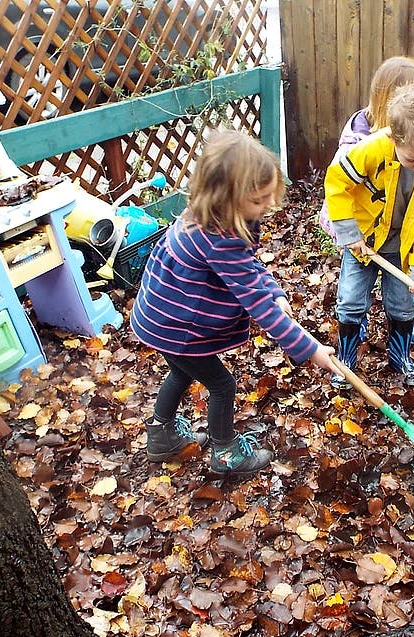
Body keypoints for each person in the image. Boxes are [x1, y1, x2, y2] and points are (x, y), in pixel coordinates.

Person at [130, 130, 338, 475]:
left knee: (181, 371)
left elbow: (251, 268)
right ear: (225, 197)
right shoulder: (218, 239)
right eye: (259, 200)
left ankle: (161, 435)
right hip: (178, 327)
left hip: (161, 317)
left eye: (270, 195)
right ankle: (225, 455)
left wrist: (275, 291)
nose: (269, 205)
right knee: (222, 385)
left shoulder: (208, 217)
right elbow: (258, 305)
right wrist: (311, 348)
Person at [323, 83, 414, 388]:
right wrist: (348, 231)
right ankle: (346, 361)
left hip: (403, 249)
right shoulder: (372, 150)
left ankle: (400, 357)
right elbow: (336, 182)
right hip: (364, 242)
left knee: (404, 304)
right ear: (393, 137)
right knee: (350, 300)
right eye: (412, 161)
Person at [318, 55, 414, 241]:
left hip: (391, 232)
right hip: (359, 232)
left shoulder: (412, 145)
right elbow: (337, 186)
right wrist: (349, 235)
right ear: (392, 103)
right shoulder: (356, 147)